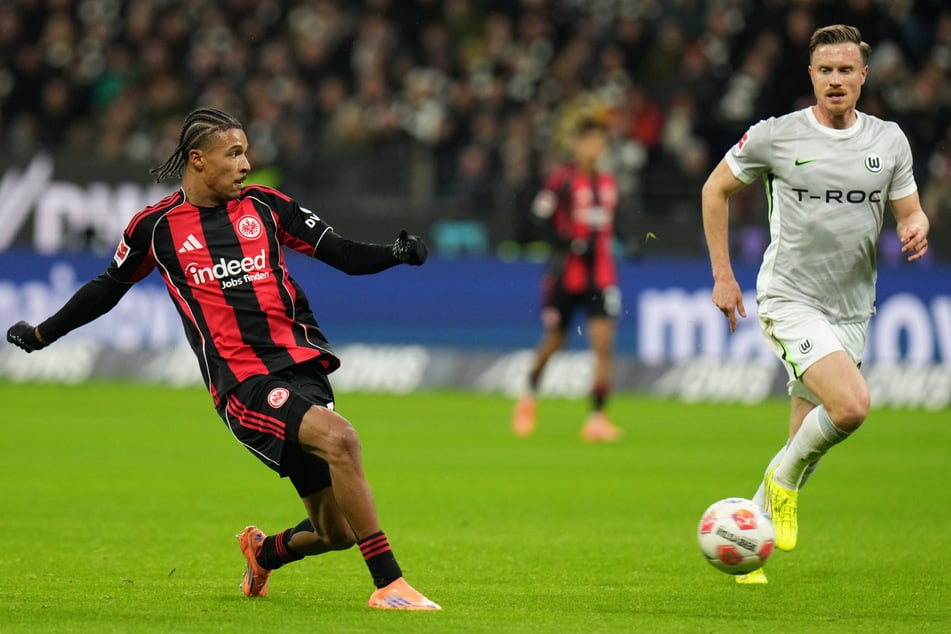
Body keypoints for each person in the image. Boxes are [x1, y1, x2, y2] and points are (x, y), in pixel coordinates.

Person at [6, 107, 441, 610]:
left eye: (246, 152)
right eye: (234, 153)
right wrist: (42, 333)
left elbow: (340, 253)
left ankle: (264, 553)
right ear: (198, 160)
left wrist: (395, 252)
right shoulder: (157, 228)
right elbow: (107, 288)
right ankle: (389, 585)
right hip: (243, 382)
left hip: (302, 368)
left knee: (337, 530)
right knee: (341, 438)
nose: (246, 164)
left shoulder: (268, 207)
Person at [701, 25, 930, 584]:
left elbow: (909, 211)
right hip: (790, 298)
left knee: (804, 435)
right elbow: (714, 190)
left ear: (862, 77)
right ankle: (779, 488)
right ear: (811, 76)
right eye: (824, 70)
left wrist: (917, 225)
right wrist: (724, 276)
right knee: (851, 407)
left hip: (853, 308)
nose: (835, 80)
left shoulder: (888, 141)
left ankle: (745, 539)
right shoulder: (776, 137)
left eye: (845, 70)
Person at [511, 117, 624, 442]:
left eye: (600, 141)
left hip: (601, 277)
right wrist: (567, 242)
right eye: (588, 140)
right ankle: (528, 396)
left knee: (603, 344)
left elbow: (611, 224)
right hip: (565, 276)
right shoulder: (562, 180)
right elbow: (536, 218)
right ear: (577, 144)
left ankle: (597, 419)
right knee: (555, 342)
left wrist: (627, 240)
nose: (594, 147)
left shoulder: (608, 183)